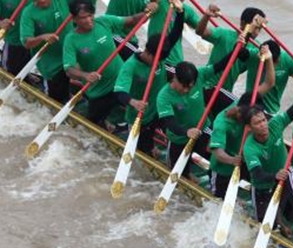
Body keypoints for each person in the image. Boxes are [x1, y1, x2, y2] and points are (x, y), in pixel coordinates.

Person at [62, 0, 154, 126]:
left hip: (120, 82)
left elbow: (131, 20)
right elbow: (69, 70)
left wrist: (148, 11)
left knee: (141, 108)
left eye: (90, 15)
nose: (89, 20)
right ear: (74, 19)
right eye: (83, 18)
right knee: (92, 125)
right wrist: (86, 76)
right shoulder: (71, 39)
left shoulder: (103, 21)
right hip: (99, 91)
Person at [111, 4, 183, 153]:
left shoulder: (158, 55)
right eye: (156, 60)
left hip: (159, 110)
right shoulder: (131, 66)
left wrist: (180, 12)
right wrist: (133, 102)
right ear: (148, 53)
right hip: (140, 116)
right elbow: (119, 92)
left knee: (177, 129)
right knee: (146, 151)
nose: (159, 63)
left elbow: (175, 34)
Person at [242, 83, 293, 224]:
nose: (263, 125)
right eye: (257, 123)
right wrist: (275, 176)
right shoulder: (250, 148)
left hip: (286, 173)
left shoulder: (276, 124)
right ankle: (277, 221)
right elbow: (258, 175)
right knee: (265, 223)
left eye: (263, 120)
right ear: (249, 128)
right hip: (263, 186)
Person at [156, 59, 228, 170]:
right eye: (183, 86)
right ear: (175, 78)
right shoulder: (164, 96)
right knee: (175, 170)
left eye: (190, 87)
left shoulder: (199, 74)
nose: (186, 90)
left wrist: (237, 49)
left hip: (203, 129)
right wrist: (187, 132)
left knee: (215, 152)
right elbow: (170, 123)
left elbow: (219, 65)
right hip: (179, 138)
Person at [194, 5, 264, 112]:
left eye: (260, 29)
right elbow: (200, 31)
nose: (257, 33)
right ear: (243, 23)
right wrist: (206, 16)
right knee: (242, 109)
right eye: (256, 28)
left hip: (225, 92)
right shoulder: (224, 34)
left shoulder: (256, 47)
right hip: (208, 86)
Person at [22, 0, 73, 102]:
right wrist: (42, 37)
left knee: (66, 84)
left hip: (70, 56)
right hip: (51, 65)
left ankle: (67, 96)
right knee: (54, 99)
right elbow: (27, 43)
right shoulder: (28, 13)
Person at [1, 0, 34, 75]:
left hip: (34, 41)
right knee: (10, 73)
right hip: (14, 42)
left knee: (26, 67)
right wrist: (1, 24)